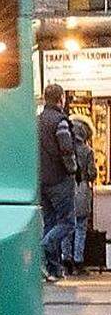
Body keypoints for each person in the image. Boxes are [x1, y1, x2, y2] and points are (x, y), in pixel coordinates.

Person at [39, 84, 78, 282]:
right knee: (68, 223)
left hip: (41, 181)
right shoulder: (60, 121)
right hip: (59, 180)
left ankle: (53, 269)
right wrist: (73, 169)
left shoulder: (37, 121)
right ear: (60, 98)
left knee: (50, 222)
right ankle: (42, 248)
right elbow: (66, 149)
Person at [65, 115, 98, 275]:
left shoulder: (66, 148)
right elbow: (92, 173)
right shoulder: (88, 151)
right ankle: (78, 261)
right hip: (82, 188)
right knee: (80, 227)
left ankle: (66, 260)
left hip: (67, 188)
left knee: (66, 226)